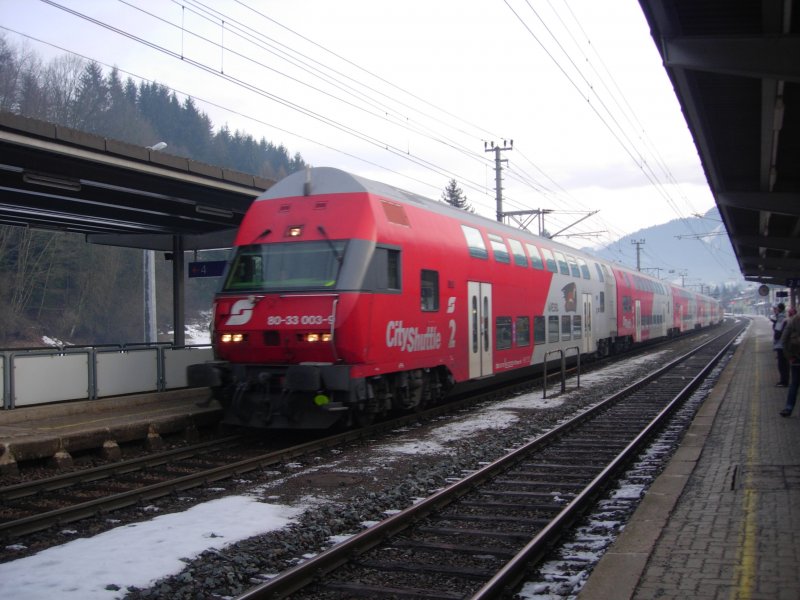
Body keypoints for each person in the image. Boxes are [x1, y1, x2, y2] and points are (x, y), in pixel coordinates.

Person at [780, 307, 800, 417]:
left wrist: (789, 357)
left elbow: (783, 339)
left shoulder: (792, 321)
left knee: (794, 384)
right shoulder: (792, 322)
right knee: (794, 384)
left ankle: (788, 408)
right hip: (796, 358)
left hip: (795, 358)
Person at [771, 303, 789, 386]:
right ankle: (784, 380)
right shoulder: (783, 317)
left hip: (781, 345)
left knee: (782, 364)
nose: (775, 310)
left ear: (779, 309)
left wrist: (774, 324)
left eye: (776, 309)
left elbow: (778, 331)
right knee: (784, 364)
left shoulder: (781, 318)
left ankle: (784, 381)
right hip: (783, 344)